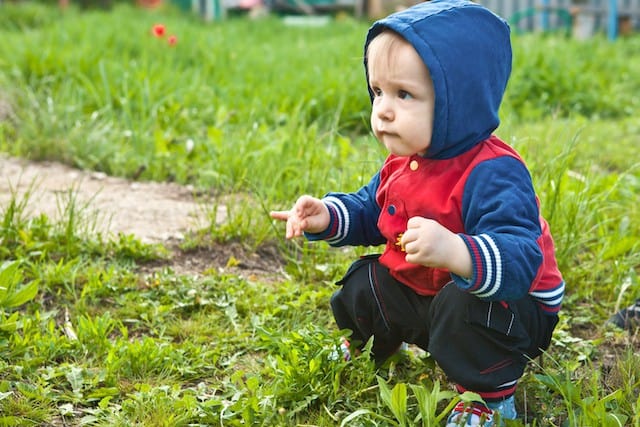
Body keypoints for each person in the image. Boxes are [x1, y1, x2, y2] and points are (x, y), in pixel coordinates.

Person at [270, 0, 565, 425]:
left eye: (404, 94)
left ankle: (489, 399)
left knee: (463, 305)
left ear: (456, 101)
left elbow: (521, 261)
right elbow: (372, 211)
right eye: (378, 92)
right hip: (435, 294)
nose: (383, 110)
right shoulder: (405, 161)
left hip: (513, 313)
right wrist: (328, 216)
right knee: (367, 280)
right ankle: (370, 343)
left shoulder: (494, 172)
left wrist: (455, 250)